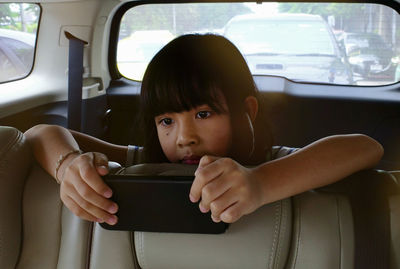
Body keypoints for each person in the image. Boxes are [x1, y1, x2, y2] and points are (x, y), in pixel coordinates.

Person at [24, 34, 384, 226]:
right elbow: (39, 134)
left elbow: (365, 147)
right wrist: (69, 165)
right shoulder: (146, 166)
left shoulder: (269, 163)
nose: (183, 138)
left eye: (204, 113)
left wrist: (260, 184)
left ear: (247, 111)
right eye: (167, 121)